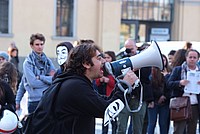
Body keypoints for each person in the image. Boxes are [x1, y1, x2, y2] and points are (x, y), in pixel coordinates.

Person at [27, 41, 139, 133]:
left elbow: (102, 101)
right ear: (86, 63)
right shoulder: (76, 86)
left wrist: (123, 85)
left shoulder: (75, 82)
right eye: (99, 58)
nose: (104, 61)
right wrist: (125, 85)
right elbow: (106, 111)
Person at [117, 39, 152, 134]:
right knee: (121, 127)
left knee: (138, 127)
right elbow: (117, 75)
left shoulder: (143, 58)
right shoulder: (121, 59)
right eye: (127, 49)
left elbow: (146, 77)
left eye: (131, 48)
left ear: (136, 47)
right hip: (125, 97)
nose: (130, 51)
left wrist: (138, 65)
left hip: (139, 97)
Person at [20, 33, 55, 113]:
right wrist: (47, 81)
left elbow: (54, 79)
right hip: (34, 102)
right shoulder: (27, 63)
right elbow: (33, 83)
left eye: (41, 44)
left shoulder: (48, 61)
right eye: (37, 44)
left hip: (48, 99)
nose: (40, 47)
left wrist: (41, 77)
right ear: (31, 46)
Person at [167, 49, 200, 134]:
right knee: (179, 130)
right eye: (190, 57)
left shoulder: (199, 71)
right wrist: (180, 83)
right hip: (181, 103)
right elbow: (169, 84)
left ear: (198, 59)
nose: (192, 59)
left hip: (195, 104)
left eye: (194, 57)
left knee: (192, 130)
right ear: (186, 58)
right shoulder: (178, 69)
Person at [147, 54, 171, 134]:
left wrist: (167, 76)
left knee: (163, 124)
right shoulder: (151, 72)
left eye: (164, 60)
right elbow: (150, 87)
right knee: (151, 123)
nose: (162, 62)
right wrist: (153, 99)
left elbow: (170, 86)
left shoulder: (169, 72)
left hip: (165, 102)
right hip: (153, 101)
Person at [95, 51, 117, 134]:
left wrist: (108, 81)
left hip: (111, 95)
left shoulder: (115, 68)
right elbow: (96, 82)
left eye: (108, 58)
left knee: (113, 119)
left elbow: (115, 83)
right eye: (105, 58)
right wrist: (101, 79)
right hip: (102, 94)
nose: (106, 60)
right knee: (105, 120)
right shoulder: (101, 68)